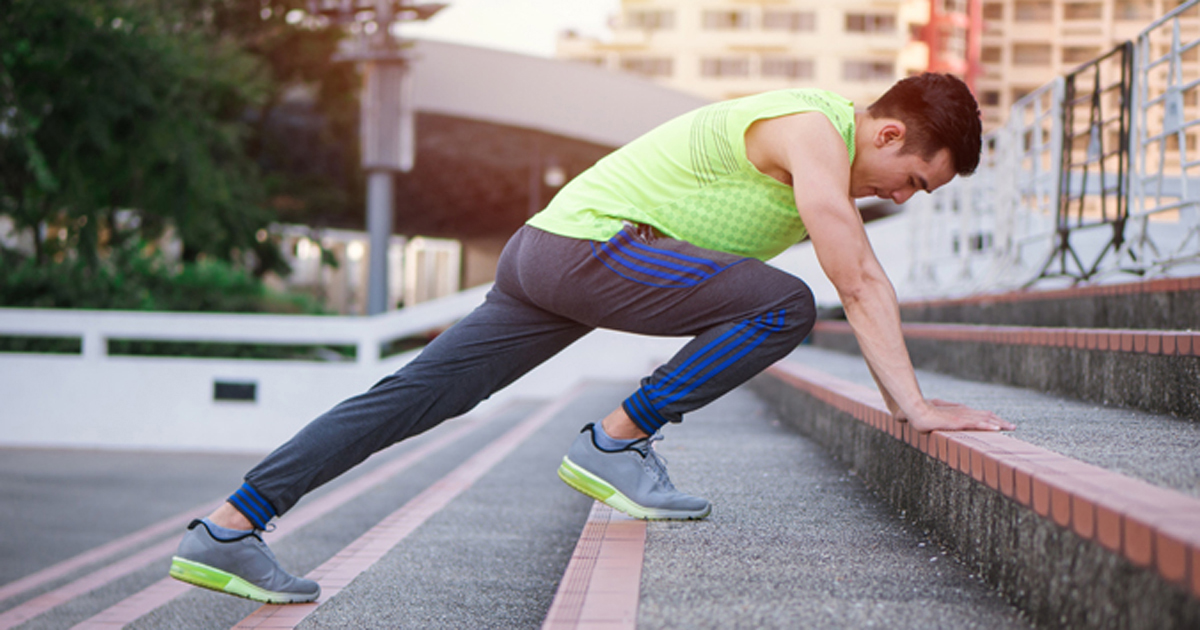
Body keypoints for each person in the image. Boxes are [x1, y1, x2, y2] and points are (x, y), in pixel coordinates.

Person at [168, 72, 1015, 604]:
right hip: (596, 249)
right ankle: (620, 439)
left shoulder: (821, 138)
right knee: (784, 305)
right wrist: (912, 405)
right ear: (892, 134)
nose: (904, 198)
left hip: (546, 251)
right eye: (914, 181)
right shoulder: (811, 129)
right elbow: (857, 277)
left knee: (412, 396)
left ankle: (230, 527)